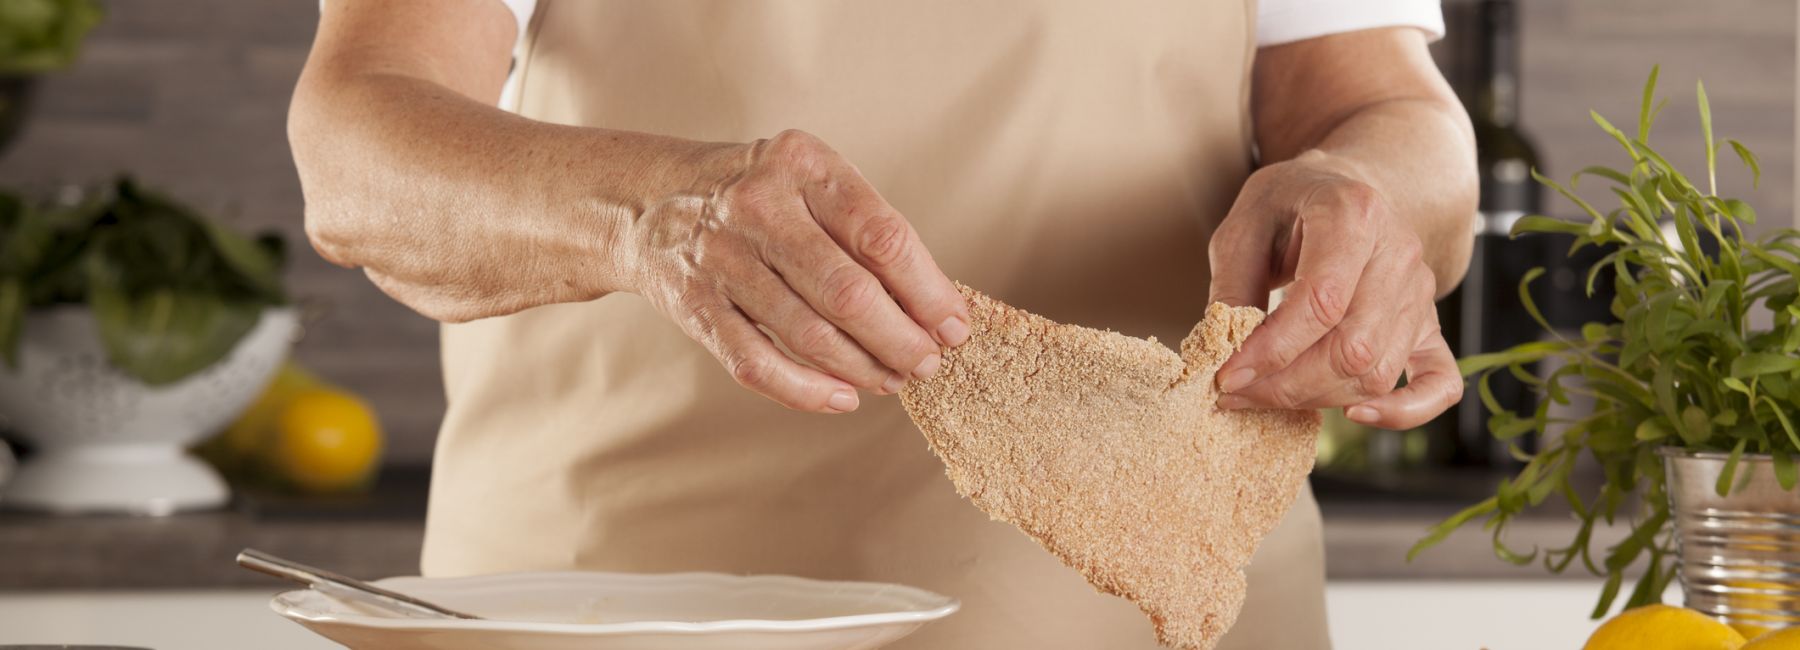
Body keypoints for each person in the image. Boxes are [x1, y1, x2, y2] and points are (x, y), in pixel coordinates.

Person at [290, 0, 1475, 646]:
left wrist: (1367, 203)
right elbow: (357, 144)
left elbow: (1387, 109)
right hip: (619, 611)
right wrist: (650, 212)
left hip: (1128, 625)